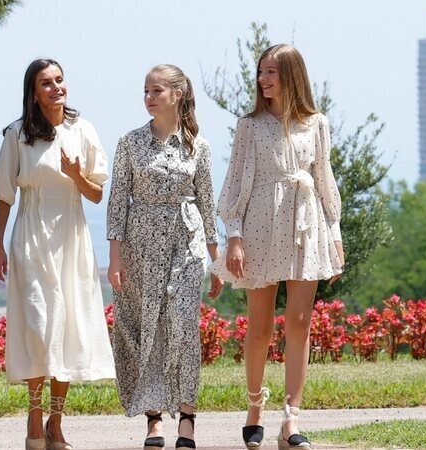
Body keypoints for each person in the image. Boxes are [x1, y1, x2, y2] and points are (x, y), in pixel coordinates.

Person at [213, 44, 345, 450]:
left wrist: (336, 238)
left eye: (272, 72)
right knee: (259, 327)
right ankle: (255, 407)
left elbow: (324, 181)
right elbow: (234, 184)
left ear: (291, 75)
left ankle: (291, 419)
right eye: (261, 72)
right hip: (260, 227)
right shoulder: (248, 126)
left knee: (300, 324)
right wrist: (233, 236)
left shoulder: (317, 123)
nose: (263, 79)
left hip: (308, 227)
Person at [0, 58, 116, 450]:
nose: (56, 87)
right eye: (46, 83)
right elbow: (3, 194)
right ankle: (33, 415)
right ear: (33, 91)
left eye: (60, 80)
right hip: (31, 235)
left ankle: (56, 421)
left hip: (72, 237)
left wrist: (76, 174)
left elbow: (96, 194)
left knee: (67, 326)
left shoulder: (83, 130)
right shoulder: (17, 135)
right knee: (38, 324)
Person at [107, 64, 223, 450]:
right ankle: (154, 418)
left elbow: (207, 203)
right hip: (140, 245)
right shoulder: (129, 142)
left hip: (186, 242)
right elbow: (117, 200)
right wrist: (115, 257)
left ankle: (187, 417)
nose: (148, 97)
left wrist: (216, 259)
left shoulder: (198, 146)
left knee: (184, 322)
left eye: (156, 90)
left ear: (177, 94)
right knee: (148, 327)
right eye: (145, 90)